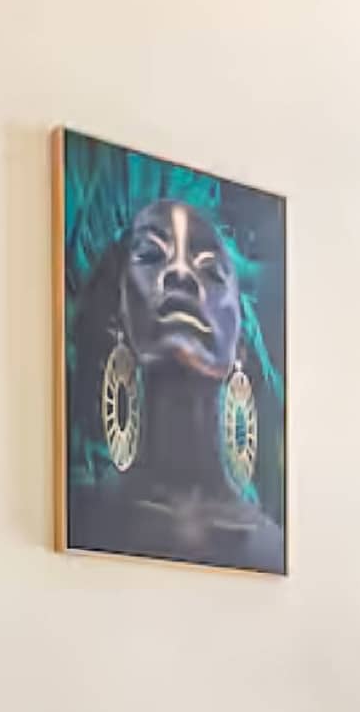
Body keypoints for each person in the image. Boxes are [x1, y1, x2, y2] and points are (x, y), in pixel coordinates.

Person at [65, 197, 284, 573]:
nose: (180, 273)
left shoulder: (272, 546)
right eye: (152, 255)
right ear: (118, 315)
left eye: (212, 271)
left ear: (241, 347)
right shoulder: (83, 511)